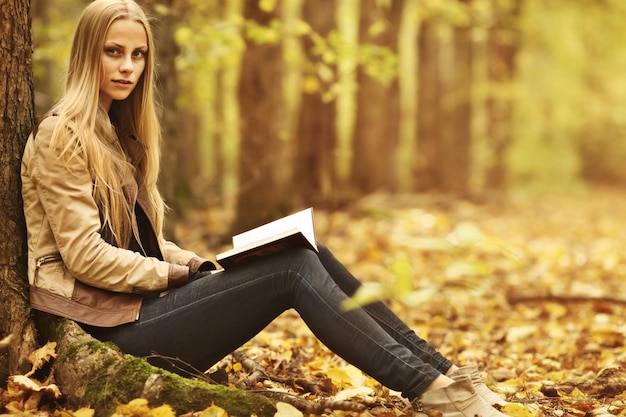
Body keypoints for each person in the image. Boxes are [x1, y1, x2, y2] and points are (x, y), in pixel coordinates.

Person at [21, 1, 510, 416]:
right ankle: (431, 392)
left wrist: (193, 263)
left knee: (307, 246)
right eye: (113, 52)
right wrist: (174, 278)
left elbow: (141, 244)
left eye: (138, 55)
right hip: (104, 330)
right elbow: (84, 254)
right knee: (291, 268)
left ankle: (442, 372)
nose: (128, 66)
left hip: (134, 311)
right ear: (88, 55)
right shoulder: (62, 134)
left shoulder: (120, 135)